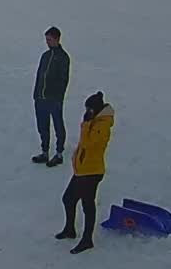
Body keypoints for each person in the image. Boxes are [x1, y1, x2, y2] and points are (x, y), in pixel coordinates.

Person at [56, 91, 115, 254]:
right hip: (83, 170)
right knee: (68, 199)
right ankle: (70, 229)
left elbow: (88, 143)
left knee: (87, 205)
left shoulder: (102, 126)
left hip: (91, 172)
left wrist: (86, 125)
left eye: (88, 109)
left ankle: (87, 239)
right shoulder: (96, 122)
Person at [32, 26, 70, 166]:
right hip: (40, 98)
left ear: (57, 39)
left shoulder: (63, 58)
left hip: (54, 100)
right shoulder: (45, 56)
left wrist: (57, 97)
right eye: (46, 39)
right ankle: (45, 152)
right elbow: (39, 76)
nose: (47, 42)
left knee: (58, 125)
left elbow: (63, 80)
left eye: (49, 39)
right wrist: (36, 94)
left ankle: (59, 153)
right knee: (42, 125)